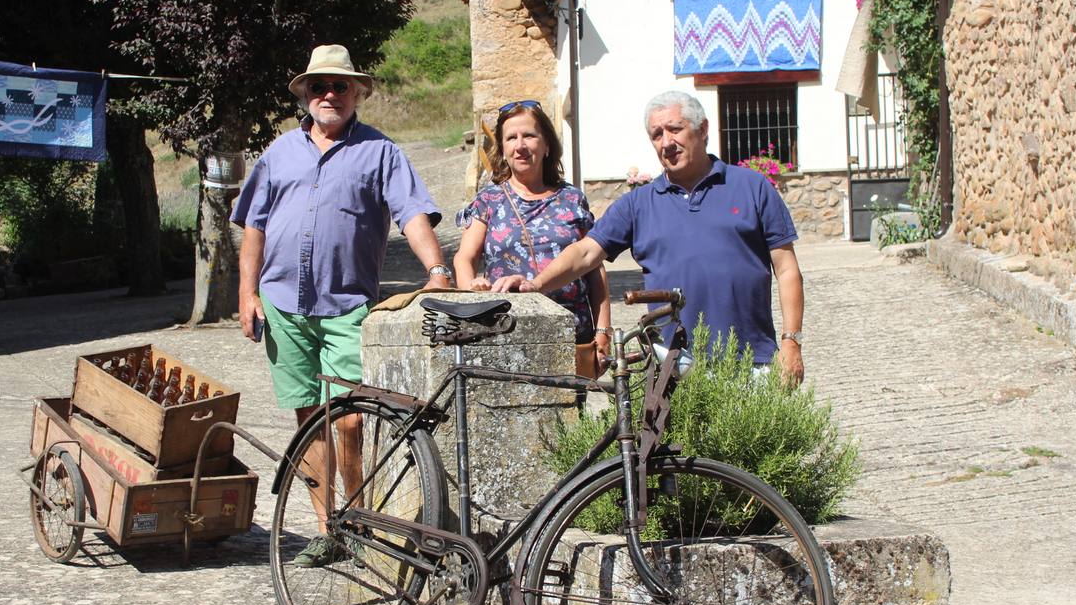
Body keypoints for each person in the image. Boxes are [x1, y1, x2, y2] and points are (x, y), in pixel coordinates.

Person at [231, 44, 452, 566]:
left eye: (340, 86)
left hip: (347, 306)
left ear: (356, 93)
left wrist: (437, 271)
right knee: (309, 420)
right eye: (319, 86)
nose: (329, 94)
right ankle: (327, 527)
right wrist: (246, 293)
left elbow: (413, 212)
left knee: (349, 419)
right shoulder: (279, 153)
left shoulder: (380, 152)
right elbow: (254, 228)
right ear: (306, 95)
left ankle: (358, 515)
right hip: (283, 306)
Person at [492, 89, 805, 385]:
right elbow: (585, 253)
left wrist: (792, 342)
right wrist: (536, 284)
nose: (667, 141)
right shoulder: (639, 204)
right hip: (674, 364)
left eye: (675, 129)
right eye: (657, 134)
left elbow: (787, 269)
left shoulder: (752, 187)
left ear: (703, 129)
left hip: (753, 362)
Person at [453, 101, 611, 374]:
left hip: (571, 335)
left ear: (547, 144)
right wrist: (472, 293)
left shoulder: (572, 199)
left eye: (529, 135)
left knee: (572, 415)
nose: (520, 145)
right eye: (511, 138)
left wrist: (603, 333)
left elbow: (595, 270)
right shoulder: (489, 200)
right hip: (505, 333)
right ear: (502, 149)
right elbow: (464, 258)